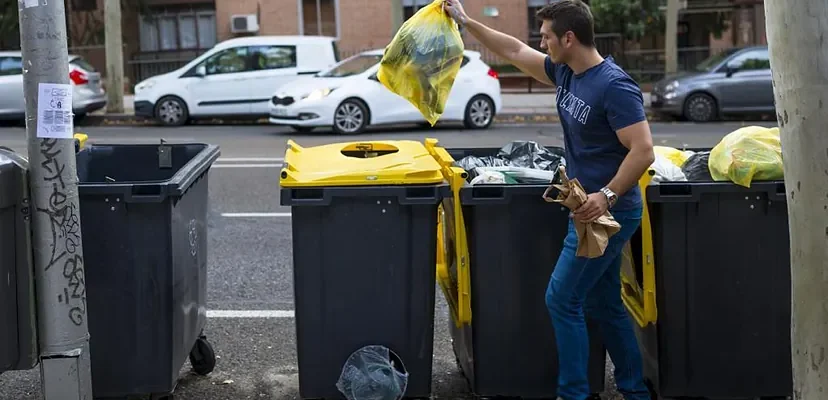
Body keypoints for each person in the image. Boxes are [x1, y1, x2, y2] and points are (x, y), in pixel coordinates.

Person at [441, 1, 655, 400]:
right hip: (585, 207)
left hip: (605, 213)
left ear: (568, 38)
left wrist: (606, 196)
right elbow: (514, 51)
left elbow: (643, 151)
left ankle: (573, 393)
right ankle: (634, 390)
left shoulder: (614, 85)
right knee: (605, 302)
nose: (541, 42)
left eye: (547, 36)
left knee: (562, 298)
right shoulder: (567, 73)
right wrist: (467, 22)